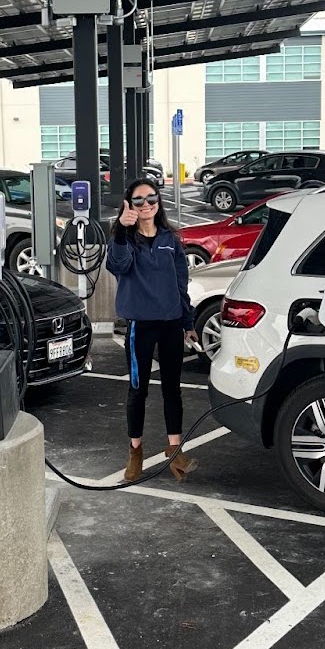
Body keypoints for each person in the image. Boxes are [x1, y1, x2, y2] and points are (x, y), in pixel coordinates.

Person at [106, 178, 200, 483]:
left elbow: (181, 283)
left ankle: (175, 450)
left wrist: (188, 322)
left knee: (173, 388)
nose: (146, 204)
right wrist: (121, 228)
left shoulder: (170, 240)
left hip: (171, 323)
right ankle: (135, 452)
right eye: (139, 200)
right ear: (129, 205)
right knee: (138, 390)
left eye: (151, 198)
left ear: (158, 202)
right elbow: (118, 266)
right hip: (140, 326)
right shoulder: (125, 239)